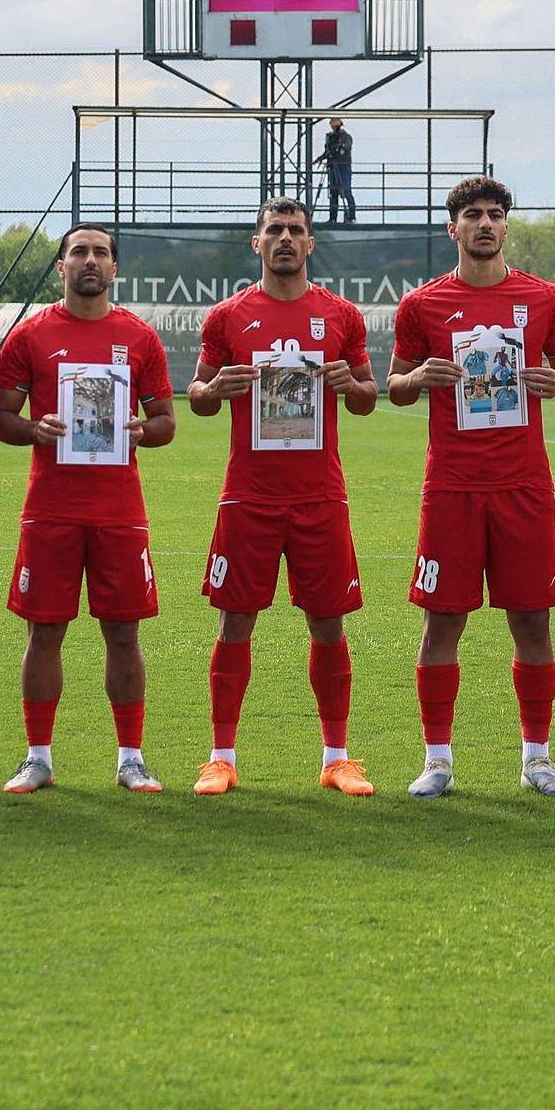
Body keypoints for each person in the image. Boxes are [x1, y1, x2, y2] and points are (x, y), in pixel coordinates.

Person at [387, 176, 555, 797]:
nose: (485, 224)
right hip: (452, 485)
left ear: (506, 226)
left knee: (532, 620)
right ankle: (437, 761)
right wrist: (420, 376)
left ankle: (537, 758)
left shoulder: (544, 298)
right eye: (473, 215)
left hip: (524, 485)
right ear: (454, 228)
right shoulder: (422, 304)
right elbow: (394, 386)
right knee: (443, 620)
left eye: (495, 215)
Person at [187, 197, 380, 795]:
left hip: (320, 494)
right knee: (235, 620)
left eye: (296, 230)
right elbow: (197, 395)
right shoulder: (227, 316)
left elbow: (368, 397)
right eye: (275, 230)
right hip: (249, 494)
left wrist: (351, 384)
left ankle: (337, 758)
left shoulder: (341, 315)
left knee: (328, 622)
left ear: (311, 243)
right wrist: (214, 388)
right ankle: (221, 757)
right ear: (258, 243)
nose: (286, 239)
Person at [0, 224, 177, 794]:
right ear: (61, 267)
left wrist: (142, 430)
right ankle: (38, 757)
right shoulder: (30, 336)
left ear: (114, 268)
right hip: (51, 508)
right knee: (44, 631)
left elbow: (166, 423)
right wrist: (35, 429)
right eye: (79, 252)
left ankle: (131, 758)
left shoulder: (139, 338)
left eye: (100, 253)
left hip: (119, 510)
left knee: (123, 633)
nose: (89, 260)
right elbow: (1, 419)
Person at [315, 118, 356, 224]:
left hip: (343, 167)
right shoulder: (330, 137)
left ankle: (352, 217)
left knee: (346, 191)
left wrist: (340, 147)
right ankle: (333, 218)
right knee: (334, 193)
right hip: (333, 167)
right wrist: (320, 158)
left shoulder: (345, 137)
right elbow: (328, 151)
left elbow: (346, 146)